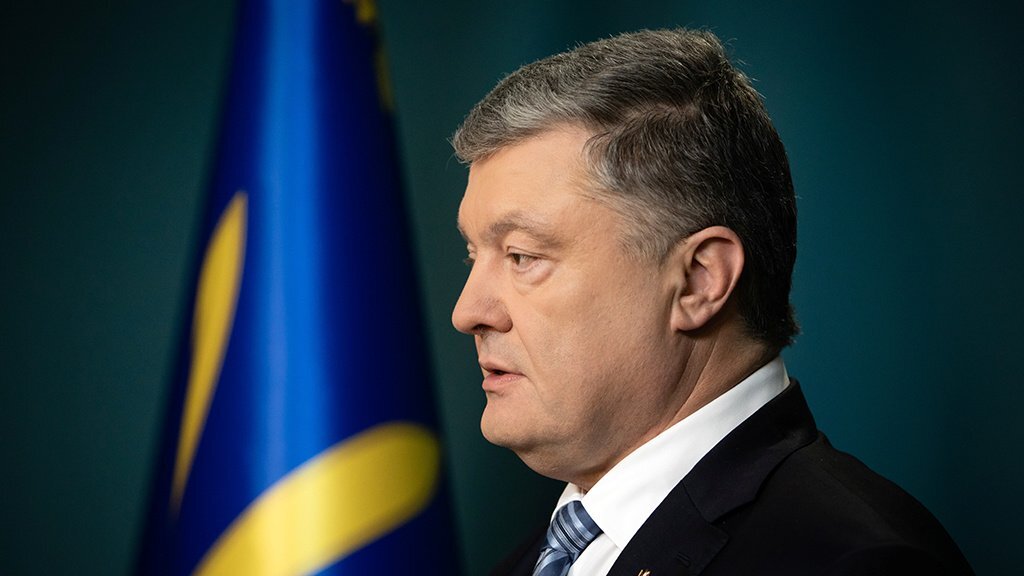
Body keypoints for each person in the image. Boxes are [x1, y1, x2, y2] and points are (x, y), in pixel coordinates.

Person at [450, 28, 973, 576]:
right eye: (473, 256)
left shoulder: (856, 562)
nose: (468, 312)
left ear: (700, 281)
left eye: (522, 256)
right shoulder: (537, 559)